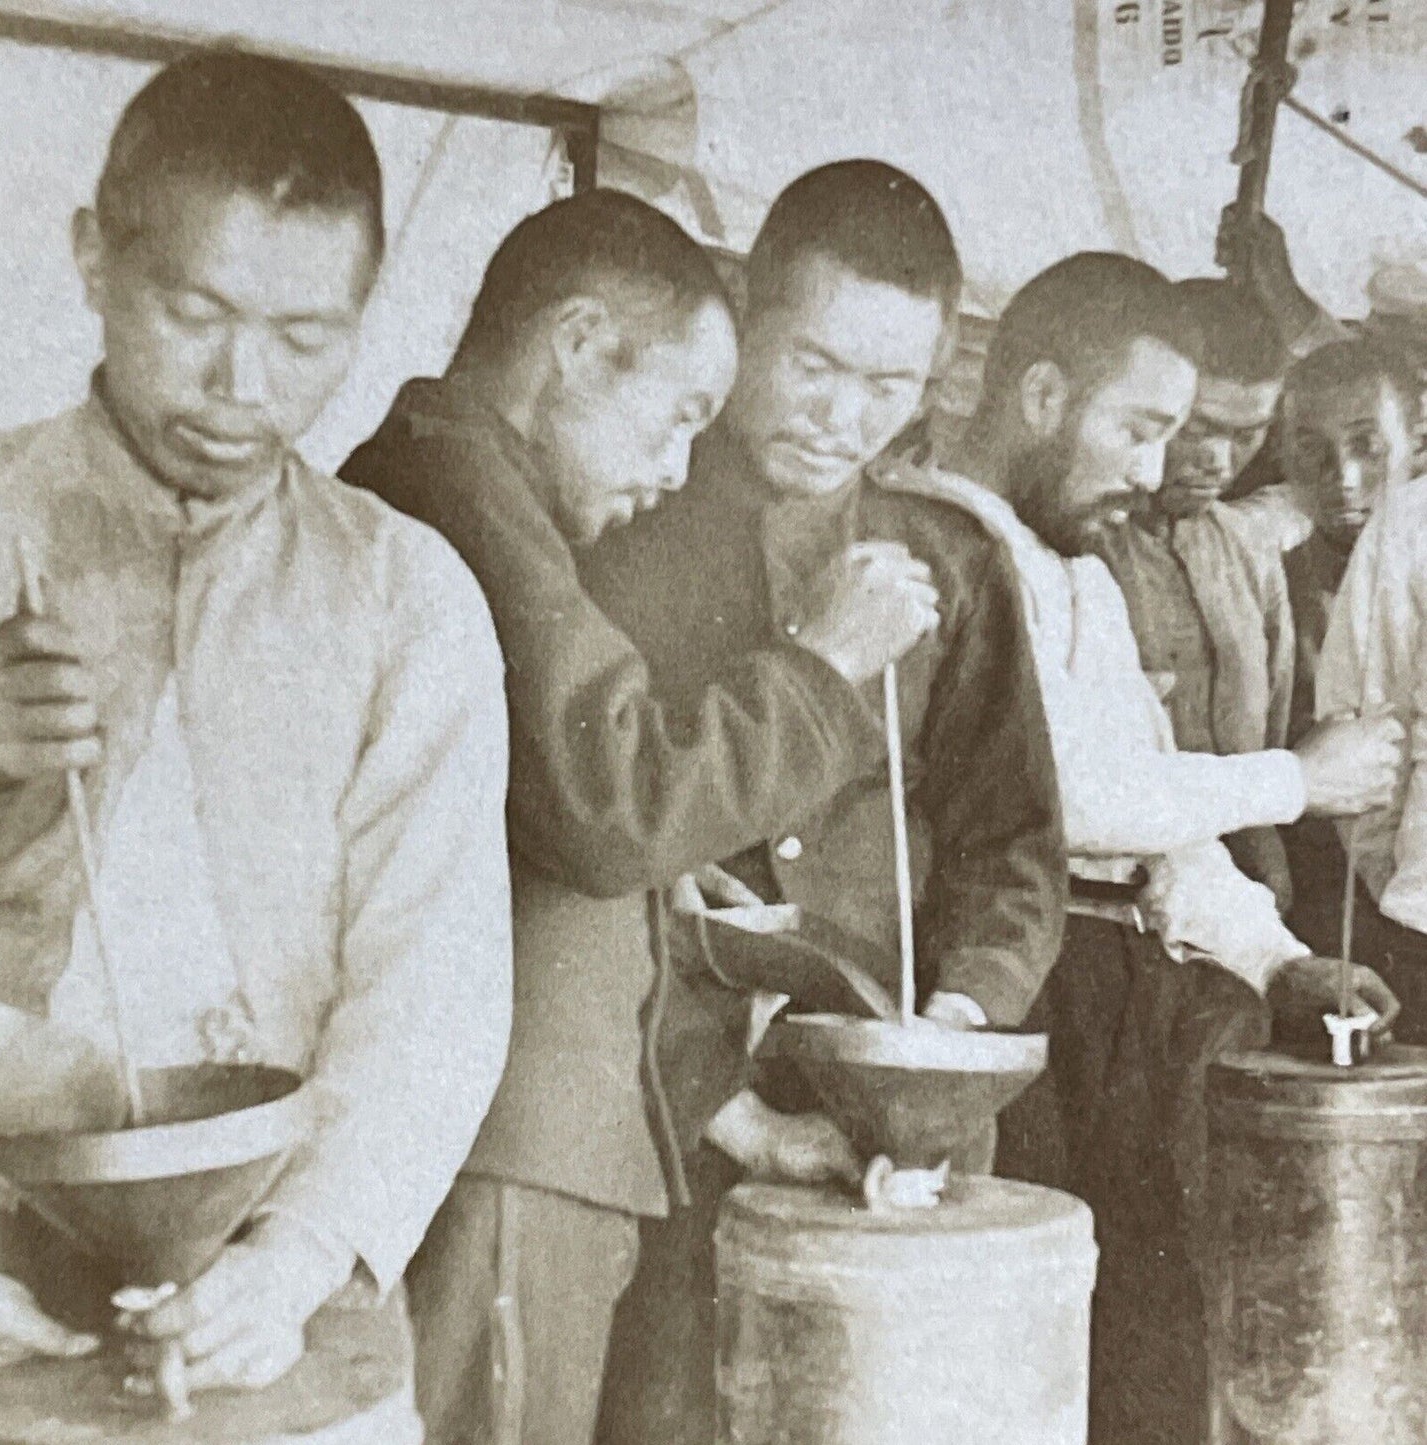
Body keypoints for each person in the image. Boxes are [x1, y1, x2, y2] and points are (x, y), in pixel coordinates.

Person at [340, 188, 941, 1445]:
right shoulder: (457, 489)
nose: (674, 469)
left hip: (541, 1142)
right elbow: (614, 798)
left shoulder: (483, 496)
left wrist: (745, 1126)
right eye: (674, 416)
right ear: (572, 343)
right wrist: (825, 667)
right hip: (512, 1144)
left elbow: (568, 857)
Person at [0, 52, 513, 1441]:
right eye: (195, 312)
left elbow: (436, 983)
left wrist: (301, 1255)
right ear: (96, 257)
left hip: (282, 1305)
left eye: (302, 336)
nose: (240, 384)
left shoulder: (405, 596)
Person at [878, 251, 1401, 1445]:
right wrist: (1295, 778)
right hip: (1012, 997)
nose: (1156, 470)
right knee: (1026, 1358)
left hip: (1121, 1000)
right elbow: (1070, 798)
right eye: (1139, 428)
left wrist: (1274, 962)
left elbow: (1166, 824)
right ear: (1044, 394)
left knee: (1151, 1352)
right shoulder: (944, 546)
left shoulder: (1078, 571)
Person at [583, 161, 1067, 1445]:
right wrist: (712, 1097)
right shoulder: (612, 528)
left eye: (890, 385)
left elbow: (1012, 844)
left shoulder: (955, 567)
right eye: (813, 364)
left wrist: (952, 1032)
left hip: (902, 1138)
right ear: (743, 310)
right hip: (669, 1121)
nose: (845, 416)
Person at [1093, 279, 1296, 906]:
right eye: (1198, 429)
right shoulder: (1083, 553)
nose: (1220, 460)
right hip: (1118, 898)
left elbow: (1271, 742)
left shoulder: (1249, 554)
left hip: (1245, 900)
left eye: (1247, 434)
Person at [1289, 342, 1426, 1033]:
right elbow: (1369, 734)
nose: (1341, 479)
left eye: (1366, 446)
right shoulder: (1407, 526)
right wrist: (1401, 887)